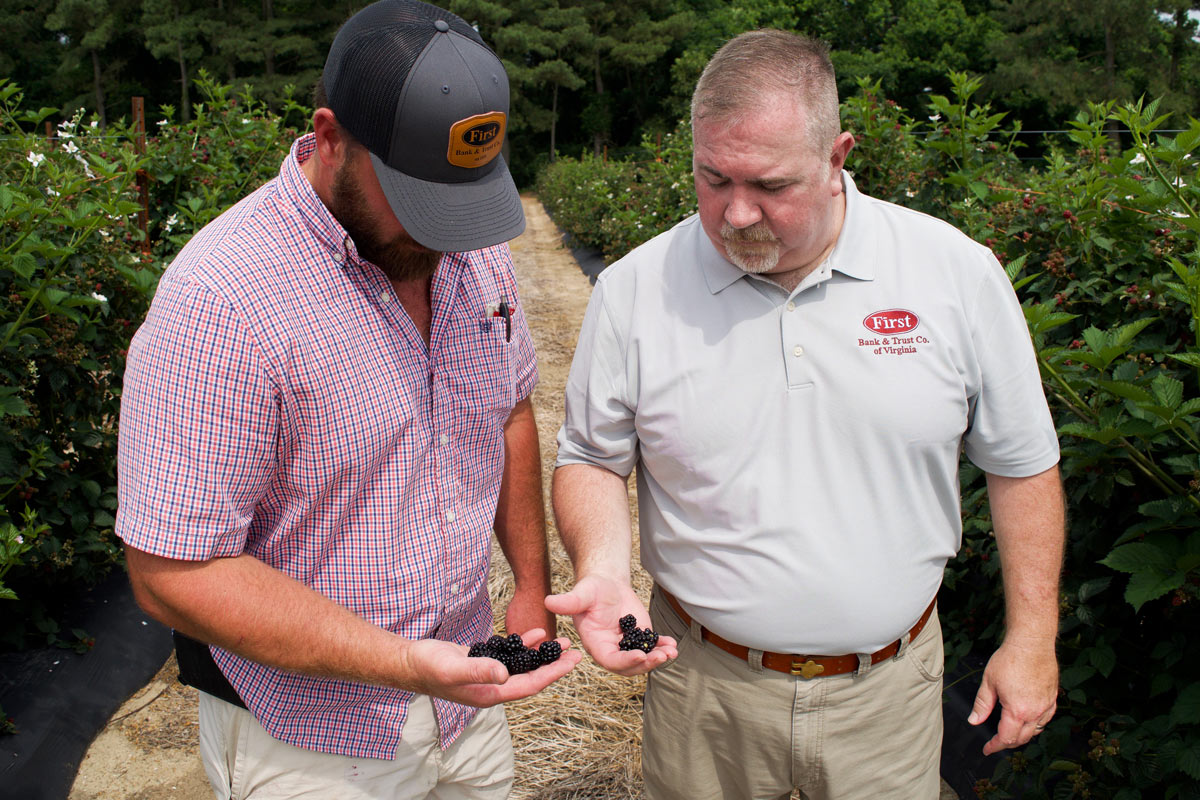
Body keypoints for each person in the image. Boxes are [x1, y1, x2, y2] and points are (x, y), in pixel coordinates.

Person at [547, 29, 1065, 800]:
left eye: (771, 185)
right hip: (704, 692)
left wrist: (1032, 637)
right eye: (712, 178)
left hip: (888, 695)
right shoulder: (633, 289)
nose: (736, 213)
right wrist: (602, 572)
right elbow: (592, 455)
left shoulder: (953, 273)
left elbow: (1021, 463)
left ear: (837, 157)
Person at [115, 1, 580, 797]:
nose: (447, 235)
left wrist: (530, 590)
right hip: (311, 745)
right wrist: (399, 663)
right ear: (330, 138)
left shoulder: (474, 258)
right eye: (419, 198)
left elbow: (506, 412)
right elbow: (172, 571)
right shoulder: (223, 299)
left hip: (466, 705)